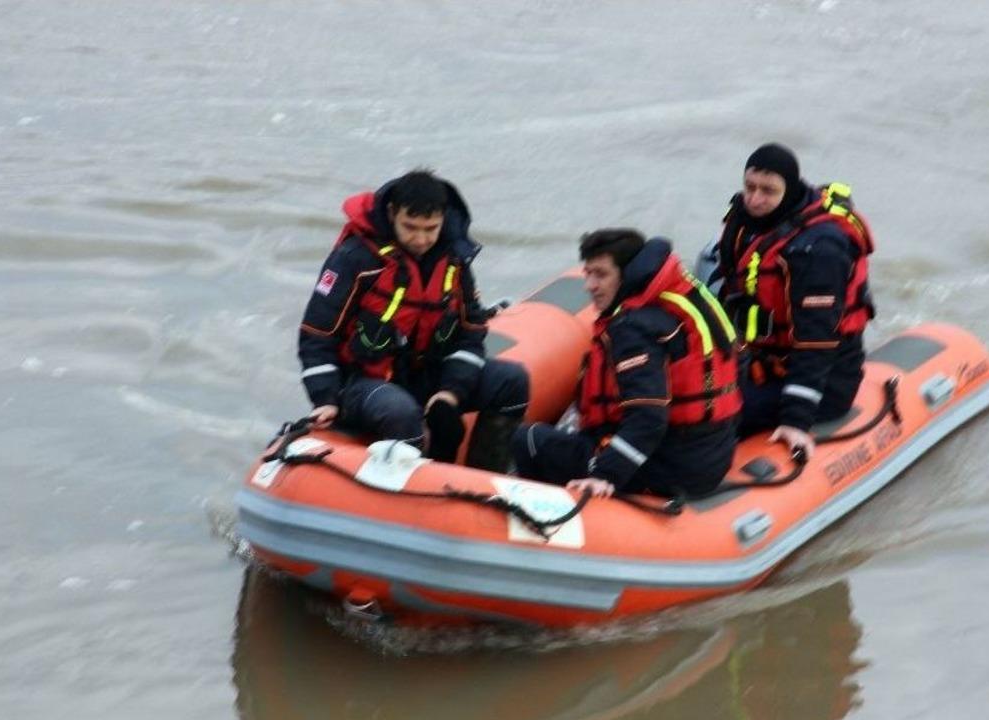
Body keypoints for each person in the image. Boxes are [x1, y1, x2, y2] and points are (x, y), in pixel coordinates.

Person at [297, 170, 528, 470]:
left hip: (425, 375)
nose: (421, 239)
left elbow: (470, 333)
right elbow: (316, 335)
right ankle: (416, 488)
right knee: (400, 413)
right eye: (410, 227)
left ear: (443, 218)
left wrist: (449, 393)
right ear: (392, 213)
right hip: (361, 383)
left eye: (431, 229)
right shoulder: (354, 259)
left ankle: (484, 479)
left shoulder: (454, 260)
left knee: (511, 381)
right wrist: (325, 398)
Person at [511, 229, 741, 499]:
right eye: (588, 274)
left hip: (667, 468)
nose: (590, 286)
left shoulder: (632, 330)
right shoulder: (676, 303)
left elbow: (649, 418)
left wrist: (605, 475)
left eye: (601, 275)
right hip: (706, 457)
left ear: (626, 275)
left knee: (527, 439)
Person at [696, 143, 875, 457]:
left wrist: (796, 420)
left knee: (710, 415)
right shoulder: (743, 222)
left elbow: (816, 342)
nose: (755, 199)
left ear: (788, 190)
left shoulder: (819, 250)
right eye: (750, 187)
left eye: (768, 191)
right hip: (760, 363)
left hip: (824, 383)